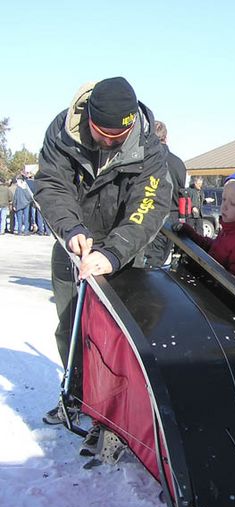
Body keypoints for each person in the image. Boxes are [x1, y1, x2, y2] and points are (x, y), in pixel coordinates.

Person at [34, 76, 173, 425]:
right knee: (70, 325)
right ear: (89, 120)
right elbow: (52, 184)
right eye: (103, 135)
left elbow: (149, 203)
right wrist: (71, 231)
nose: (110, 143)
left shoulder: (148, 147)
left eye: (118, 138)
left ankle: (116, 411)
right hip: (73, 245)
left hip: (121, 252)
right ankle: (76, 394)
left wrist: (113, 253)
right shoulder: (62, 133)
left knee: (119, 335)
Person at [174, 171, 235, 282]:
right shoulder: (230, 229)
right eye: (224, 200)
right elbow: (216, 248)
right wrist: (192, 235)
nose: (224, 207)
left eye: (233, 203)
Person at [144, 120, 187, 267]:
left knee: (148, 266)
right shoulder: (178, 163)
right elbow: (182, 195)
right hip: (170, 221)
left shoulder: (145, 160)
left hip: (149, 217)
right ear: (166, 138)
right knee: (158, 264)